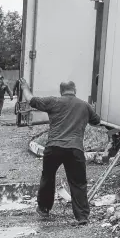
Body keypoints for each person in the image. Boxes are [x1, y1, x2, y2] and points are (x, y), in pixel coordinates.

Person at [19, 78, 100, 225]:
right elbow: (96, 121)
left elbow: (31, 100)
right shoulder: (84, 105)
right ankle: (82, 217)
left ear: (61, 91)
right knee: (78, 182)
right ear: (74, 90)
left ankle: (44, 209)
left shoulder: (53, 101)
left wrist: (25, 87)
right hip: (75, 149)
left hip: (54, 147)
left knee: (48, 177)